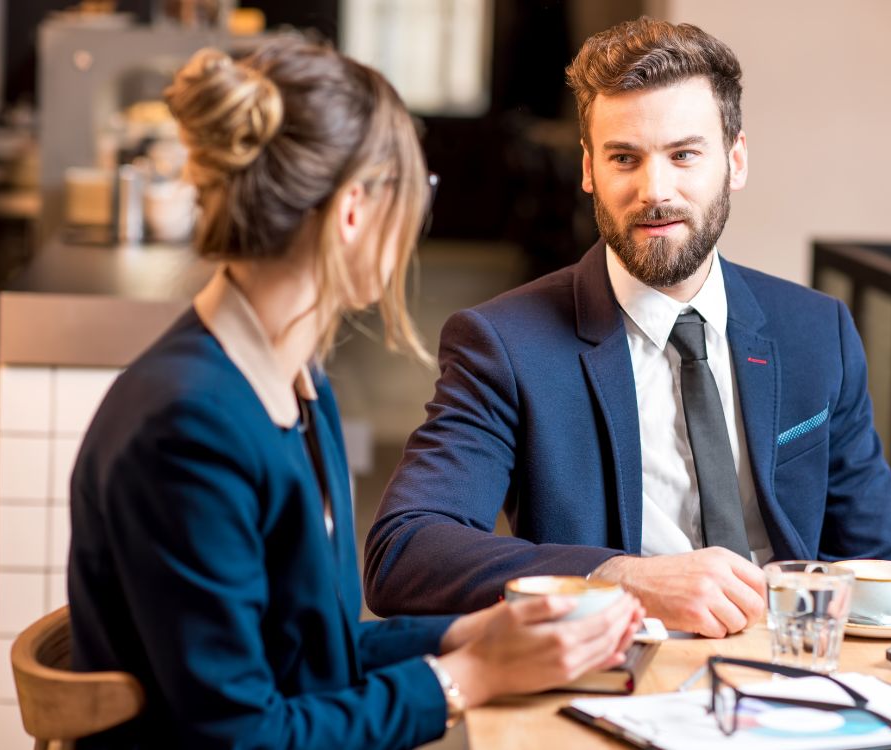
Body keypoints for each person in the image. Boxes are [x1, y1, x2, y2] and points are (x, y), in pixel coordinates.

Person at [67, 38, 641, 749]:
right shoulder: (186, 427)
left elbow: (314, 657)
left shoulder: (295, 383)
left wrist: (476, 631)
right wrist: (471, 678)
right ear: (351, 211)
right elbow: (242, 736)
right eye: (414, 194)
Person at [364, 17, 891, 638]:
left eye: (684, 154)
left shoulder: (816, 331)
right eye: (624, 158)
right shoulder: (504, 344)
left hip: (798, 674)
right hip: (619, 673)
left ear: (735, 159)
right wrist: (620, 576)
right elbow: (405, 552)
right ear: (589, 170)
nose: (654, 190)